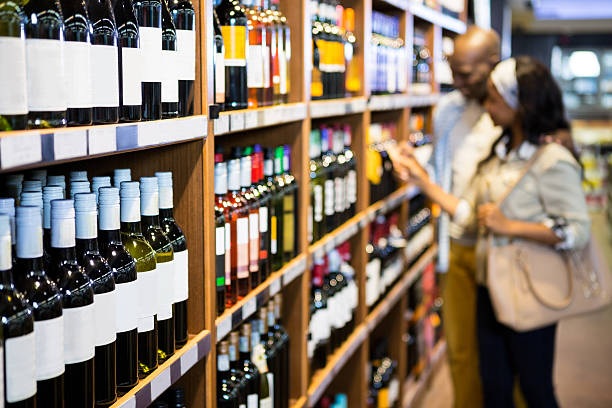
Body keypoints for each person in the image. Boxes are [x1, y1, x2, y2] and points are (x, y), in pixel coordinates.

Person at [391, 56, 591, 408]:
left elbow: (577, 231)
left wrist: (511, 226)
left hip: (531, 292)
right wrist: (423, 181)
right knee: (494, 386)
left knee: (534, 387)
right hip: (490, 287)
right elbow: (469, 215)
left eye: (496, 99)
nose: (488, 106)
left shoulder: (551, 160)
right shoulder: (498, 154)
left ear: (521, 106)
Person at [427, 26, 502, 408]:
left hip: (501, 250)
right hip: (456, 245)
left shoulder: (510, 113)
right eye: (453, 71)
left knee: (504, 356)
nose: (457, 82)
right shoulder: (448, 109)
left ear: (493, 64)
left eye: (466, 74)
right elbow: (442, 169)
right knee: (459, 350)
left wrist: (427, 186)